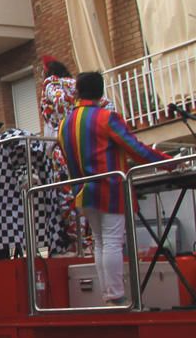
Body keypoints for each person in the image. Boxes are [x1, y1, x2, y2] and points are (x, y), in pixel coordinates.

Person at [57, 71, 170, 305]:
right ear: (100, 91)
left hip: (81, 190)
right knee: (111, 241)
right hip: (109, 188)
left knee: (100, 241)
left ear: (78, 91)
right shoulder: (107, 118)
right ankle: (115, 295)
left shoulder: (64, 124)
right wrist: (167, 162)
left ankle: (109, 295)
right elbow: (136, 150)